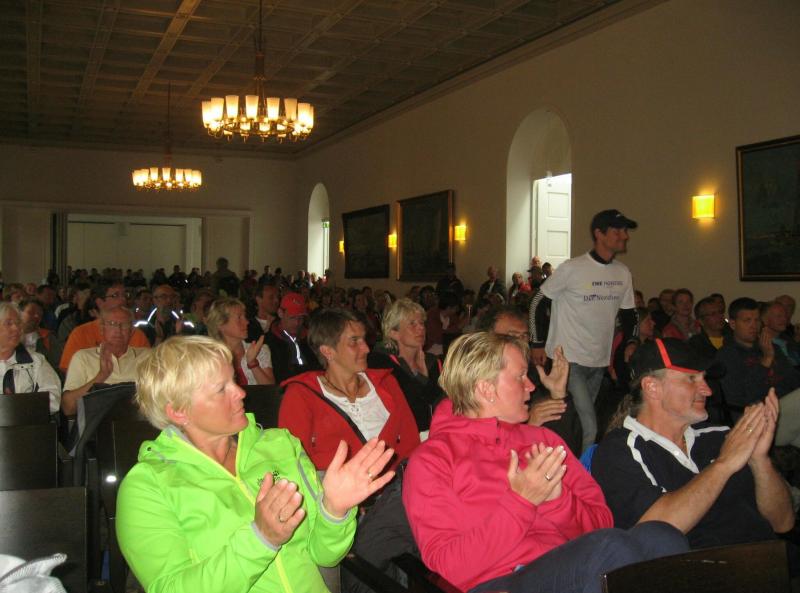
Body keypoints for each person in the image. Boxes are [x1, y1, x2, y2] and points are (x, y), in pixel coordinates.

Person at [403, 332, 687, 593]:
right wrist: (521, 502)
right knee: (609, 549)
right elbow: (448, 565)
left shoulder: (542, 439)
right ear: (486, 389)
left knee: (662, 536)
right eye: (520, 377)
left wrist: (559, 502)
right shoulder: (433, 459)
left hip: (568, 563)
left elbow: (602, 523)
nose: (531, 386)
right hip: (499, 582)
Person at [116, 335, 395, 593]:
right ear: (179, 411)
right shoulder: (148, 486)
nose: (240, 392)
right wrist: (261, 539)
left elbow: (324, 555)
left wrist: (334, 510)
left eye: (233, 380)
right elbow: (170, 588)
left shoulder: (280, 446)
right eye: (221, 389)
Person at [592, 338, 794, 551]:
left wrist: (760, 460)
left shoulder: (721, 436)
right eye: (691, 379)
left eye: (704, 379)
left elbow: (783, 523)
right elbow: (654, 532)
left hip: (768, 561)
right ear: (652, 387)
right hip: (700, 569)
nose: (707, 390)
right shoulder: (618, 451)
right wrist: (723, 465)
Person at [528, 209, 638, 451]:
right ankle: (584, 471)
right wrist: (537, 343)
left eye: (625, 231)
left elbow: (630, 314)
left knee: (576, 421)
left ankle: (562, 460)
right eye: (618, 231)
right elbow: (538, 301)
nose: (625, 236)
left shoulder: (622, 273)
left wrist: (631, 341)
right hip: (568, 360)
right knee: (590, 426)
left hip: (598, 361)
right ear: (599, 233)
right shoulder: (572, 268)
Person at [279, 308, 420, 471]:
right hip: (337, 485)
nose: (366, 348)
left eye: (363, 339)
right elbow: (293, 460)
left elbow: (412, 443)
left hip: (397, 482)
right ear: (328, 351)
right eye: (354, 341)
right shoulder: (301, 395)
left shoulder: (387, 383)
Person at [479, 305, 582, 455]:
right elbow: (483, 458)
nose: (521, 343)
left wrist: (558, 394)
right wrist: (527, 428)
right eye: (512, 336)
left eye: (524, 337)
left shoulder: (536, 379)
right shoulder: (469, 389)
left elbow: (568, 452)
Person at [715, 297, 800, 447]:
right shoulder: (726, 356)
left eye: (757, 320)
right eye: (747, 321)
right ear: (733, 324)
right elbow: (745, 397)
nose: (753, 326)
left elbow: (793, 380)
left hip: (785, 413)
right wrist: (766, 361)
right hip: (756, 419)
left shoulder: (769, 347)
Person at [368, 298, 443, 433]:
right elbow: (406, 405)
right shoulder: (382, 363)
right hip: (402, 435)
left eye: (422, 323)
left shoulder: (433, 362)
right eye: (412, 324)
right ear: (393, 333)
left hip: (434, 433)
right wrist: (421, 378)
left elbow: (441, 404)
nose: (421, 328)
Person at [62, 306, 150, 416]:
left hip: (140, 421)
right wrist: (101, 376)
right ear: (102, 329)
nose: (118, 330)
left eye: (124, 325)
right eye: (112, 324)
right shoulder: (83, 357)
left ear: (132, 331)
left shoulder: (147, 357)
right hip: (99, 423)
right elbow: (68, 408)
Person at [59, 282, 150, 372]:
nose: (123, 300)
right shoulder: (80, 333)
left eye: (125, 295)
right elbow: (70, 371)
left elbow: (148, 371)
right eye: (115, 295)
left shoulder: (137, 335)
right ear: (100, 302)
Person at [0, 302, 61, 414]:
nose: (16, 328)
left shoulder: (36, 361)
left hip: (27, 423)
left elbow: (53, 399)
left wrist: (15, 405)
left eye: (18, 323)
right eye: (9, 323)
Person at [206, 297, 275, 386]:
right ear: (221, 324)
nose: (246, 322)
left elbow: (269, 389)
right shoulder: (210, 357)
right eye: (239, 318)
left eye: (244, 317)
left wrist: (253, 363)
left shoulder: (259, 350)